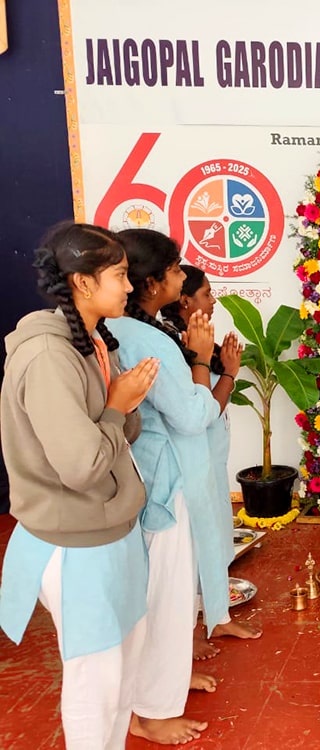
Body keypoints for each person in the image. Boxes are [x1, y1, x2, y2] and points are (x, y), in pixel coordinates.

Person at [0, 222, 159, 748]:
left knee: (122, 679)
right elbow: (83, 465)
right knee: (97, 685)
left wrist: (120, 403)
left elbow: (120, 433)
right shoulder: (48, 356)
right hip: (76, 545)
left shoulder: (89, 341)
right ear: (83, 283)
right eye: (119, 275)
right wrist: (118, 404)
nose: (130, 286)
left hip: (111, 531)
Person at [106, 229, 234, 745]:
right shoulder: (148, 339)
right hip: (167, 486)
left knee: (170, 593)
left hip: (155, 475)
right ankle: (153, 712)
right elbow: (190, 416)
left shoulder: (133, 330)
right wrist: (203, 360)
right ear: (151, 281)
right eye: (177, 270)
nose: (184, 279)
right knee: (166, 595)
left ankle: (167, 680)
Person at [161, 265, 260, 660]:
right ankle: (191, 630)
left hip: (211, 461)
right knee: (192, 547)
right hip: (190, 462)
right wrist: (230, 372)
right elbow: (202, 412)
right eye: (205, 293)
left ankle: (217, 616)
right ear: (184, 301)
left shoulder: (195, 341)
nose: (213, 300)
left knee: (218, 535)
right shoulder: (177, 343)